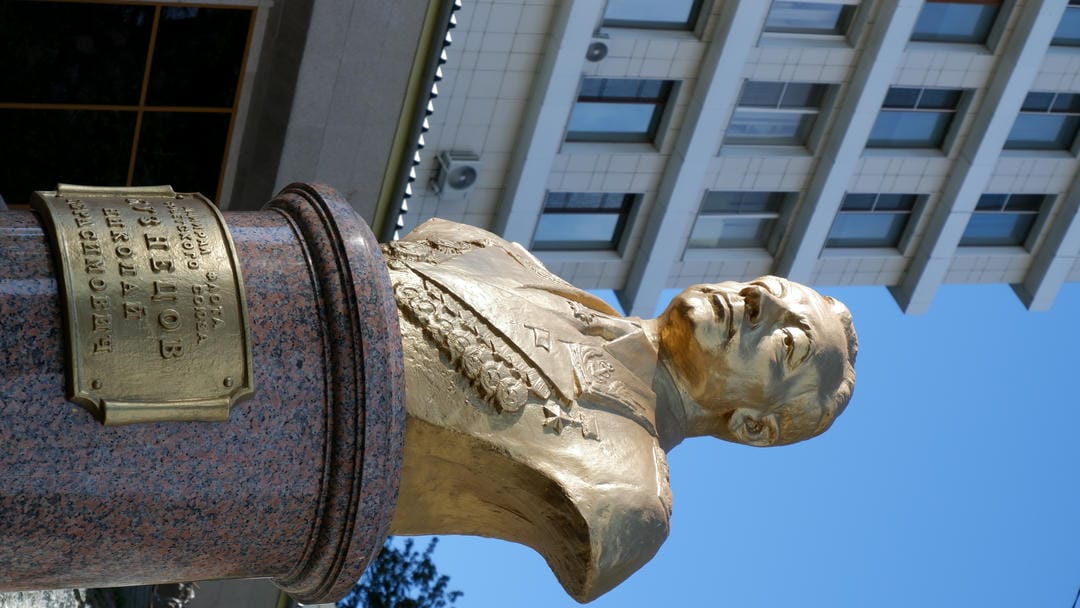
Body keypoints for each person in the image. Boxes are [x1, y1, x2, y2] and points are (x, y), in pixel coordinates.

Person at [384, 218, 857, 602]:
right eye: (766, 285)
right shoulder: (505, 256)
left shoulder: (627, 496)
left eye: (788, 342)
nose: (761, 299)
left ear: (752, 425)